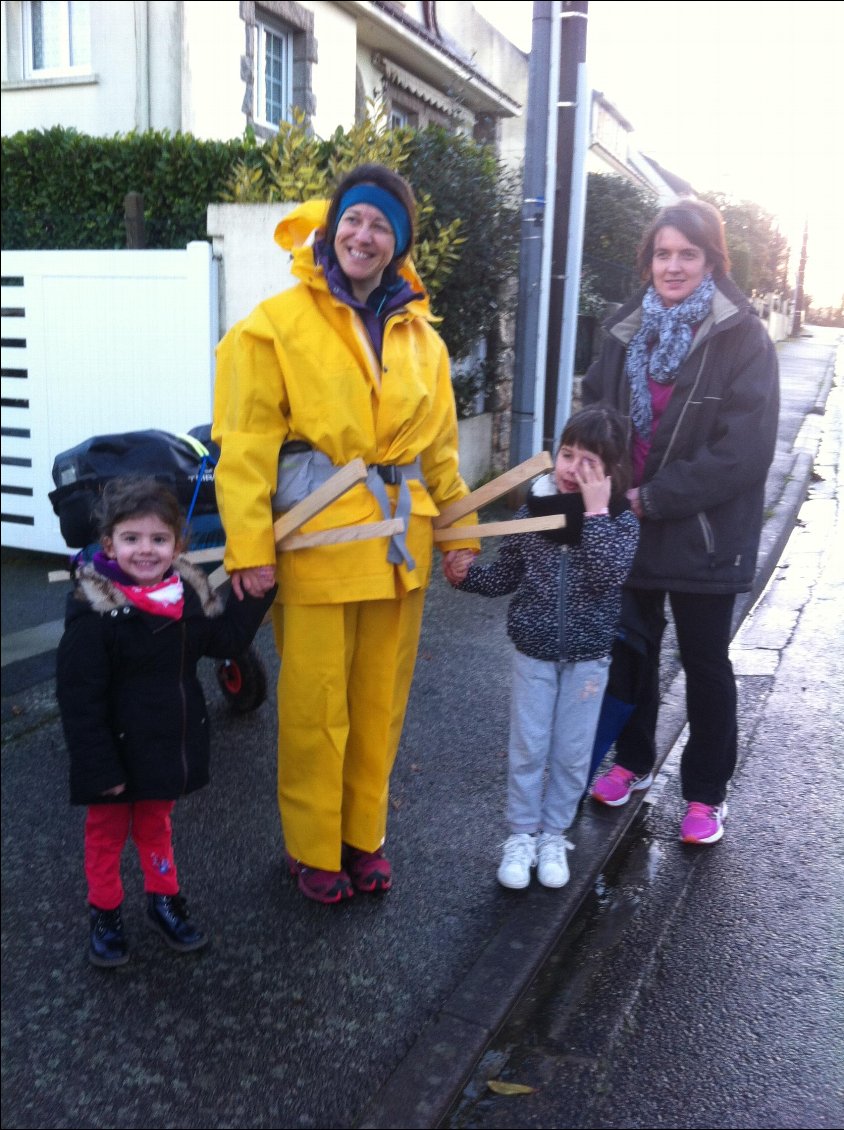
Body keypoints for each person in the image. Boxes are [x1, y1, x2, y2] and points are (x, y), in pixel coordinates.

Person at [212, 163, 479, 904]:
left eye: (382, 225)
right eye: (355, 218)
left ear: (398, 245)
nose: (365, 235)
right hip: (319, 543)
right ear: (332, 226)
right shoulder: (274, 324)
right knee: (315, 708)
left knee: (378, 708)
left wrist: (459, 536)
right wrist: (249, 549)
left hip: (399, 551)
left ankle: (364, 836)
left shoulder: (423, 340)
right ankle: (311, 849)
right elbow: (246, 444)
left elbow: (443, 454)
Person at [583, 198, 780, 845]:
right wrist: (595, 486)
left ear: (710, 261)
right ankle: (633, 762)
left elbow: (744, 451)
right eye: (662, 253)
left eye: (686, 254)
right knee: (630, 654)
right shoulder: (622, 328)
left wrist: (654, 497)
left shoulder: (742, 336)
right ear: (649, 260)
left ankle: (704, 794)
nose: (673, 266)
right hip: (627, 524)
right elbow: (596, 416)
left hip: (702, 534)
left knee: (705, 663)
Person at [56, 477, 276, 967]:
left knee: (156, 828)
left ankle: (163, 900)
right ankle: (106, 912)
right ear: (108, 543)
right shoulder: (93, 612)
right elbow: (78, 699)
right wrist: (98, 768)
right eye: (131, 539)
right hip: (112, 754)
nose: (145, 550)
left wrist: (258, 591)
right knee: (106, 836)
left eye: (159, 540)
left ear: (178, 545)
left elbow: (223, 641)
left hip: (162, 747)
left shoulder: (184, 596)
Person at [446, 405, 640, 889]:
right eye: (567, 454)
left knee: (572, 753)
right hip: (534, 651)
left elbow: (607, 575)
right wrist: (469, 578)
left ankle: (555, 835)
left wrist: (595, 513)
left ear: (611, 471)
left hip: (588, 660)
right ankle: (521, 836)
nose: (572, 468)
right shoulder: (534, 508)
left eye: (588, 461)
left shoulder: (619, 521)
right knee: (529, 747)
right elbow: (507, 575)